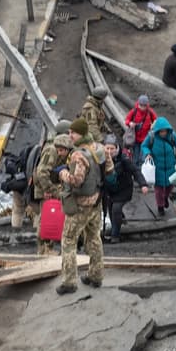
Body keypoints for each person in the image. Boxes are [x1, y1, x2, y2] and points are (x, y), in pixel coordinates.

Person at [56, 119, 112, 294]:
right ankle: (96, 275)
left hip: (80, 206)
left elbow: (76, 181)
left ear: (81, 133)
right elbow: (109, 169)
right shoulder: (100, 148)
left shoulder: (78, 155)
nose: (70, 135)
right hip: (96, 202)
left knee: (68, 240)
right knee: (94, 237)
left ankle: (69, 282)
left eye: (73, 133)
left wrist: (62, 173)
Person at [32, 120, 72, 256]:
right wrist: (50, 190)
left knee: (51, 218)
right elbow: (42, 172)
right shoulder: (52, 150)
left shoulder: (57, 148)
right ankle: (43, 250)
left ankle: (46, 248)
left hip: (49, 186)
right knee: (46, 219)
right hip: (45, 188)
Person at [102, 136, 149, 243]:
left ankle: (115, 235)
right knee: (110, 209)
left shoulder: (123, 159)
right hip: (110, 190)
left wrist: (143, 184)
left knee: (116, 208)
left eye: (112, 149)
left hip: (124, 189)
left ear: (116, 148)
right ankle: (118, 224)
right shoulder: (101, 159)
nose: (109, 151)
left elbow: (135, 171)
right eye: (107, 148)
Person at [140, 117, 176, 216]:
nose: (163, 133)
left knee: (170, 186)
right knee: (159, 190)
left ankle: (165, 198)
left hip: (171, 167)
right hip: (157, 169)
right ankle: (160, 206)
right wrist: (147, 153)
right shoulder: (152, 136)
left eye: (164, 131)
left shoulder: (172, 136)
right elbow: (144, 146)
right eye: (161, 131)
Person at [124, 95, 157, 160]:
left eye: (144, 106)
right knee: (135, 155)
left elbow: (155, 120)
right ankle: (135, 168)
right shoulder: (134, 111)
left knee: (142, 157)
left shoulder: (150, 111)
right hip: (135, 138)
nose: (142, 107)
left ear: (147, 105)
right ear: (138, 104)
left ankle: (141, 168)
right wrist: (130, 123)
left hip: (145, 138)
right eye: (141, 105)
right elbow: (127, 120)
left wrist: (153, 125)